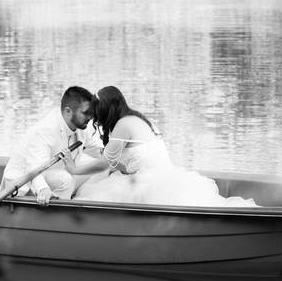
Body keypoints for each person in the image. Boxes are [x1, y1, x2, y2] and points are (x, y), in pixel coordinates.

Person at [71, 86, 258, 208]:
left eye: (99, 112)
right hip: (166, 175)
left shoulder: (123, 125)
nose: (97, 119)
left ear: (107, 109)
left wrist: (74, 169)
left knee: (95, 192)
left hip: (149, 183)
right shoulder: (138, 119)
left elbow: (105, 164)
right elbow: (129, 163)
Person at [0, 86, 105, 206]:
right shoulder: (47, 129)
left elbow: (97, 151)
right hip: (24, 184)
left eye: (91, 113)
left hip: (53, 173)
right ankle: (61, 216)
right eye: (86, 113)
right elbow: (34, 168)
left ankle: (72, 201)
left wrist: (116, 156)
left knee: (100, 166)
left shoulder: (80, 129)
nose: (90, 117)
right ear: (68, 111)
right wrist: (43, 189)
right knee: (66, 180)